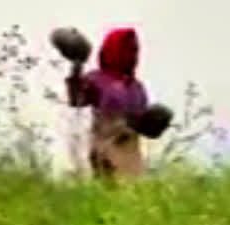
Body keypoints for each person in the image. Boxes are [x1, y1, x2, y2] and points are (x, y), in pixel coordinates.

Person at [64, 27, 164, 178]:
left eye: (135, 50)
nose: (132, 55)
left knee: (132, 188)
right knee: (107, 186)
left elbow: (142, 125)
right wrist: (76, 66)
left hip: (131, 153)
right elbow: (76, 99)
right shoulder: (97, 79)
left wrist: (153, 125)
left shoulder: (137, 87)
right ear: (113, 49)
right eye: (127, 49)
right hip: (105, 149)